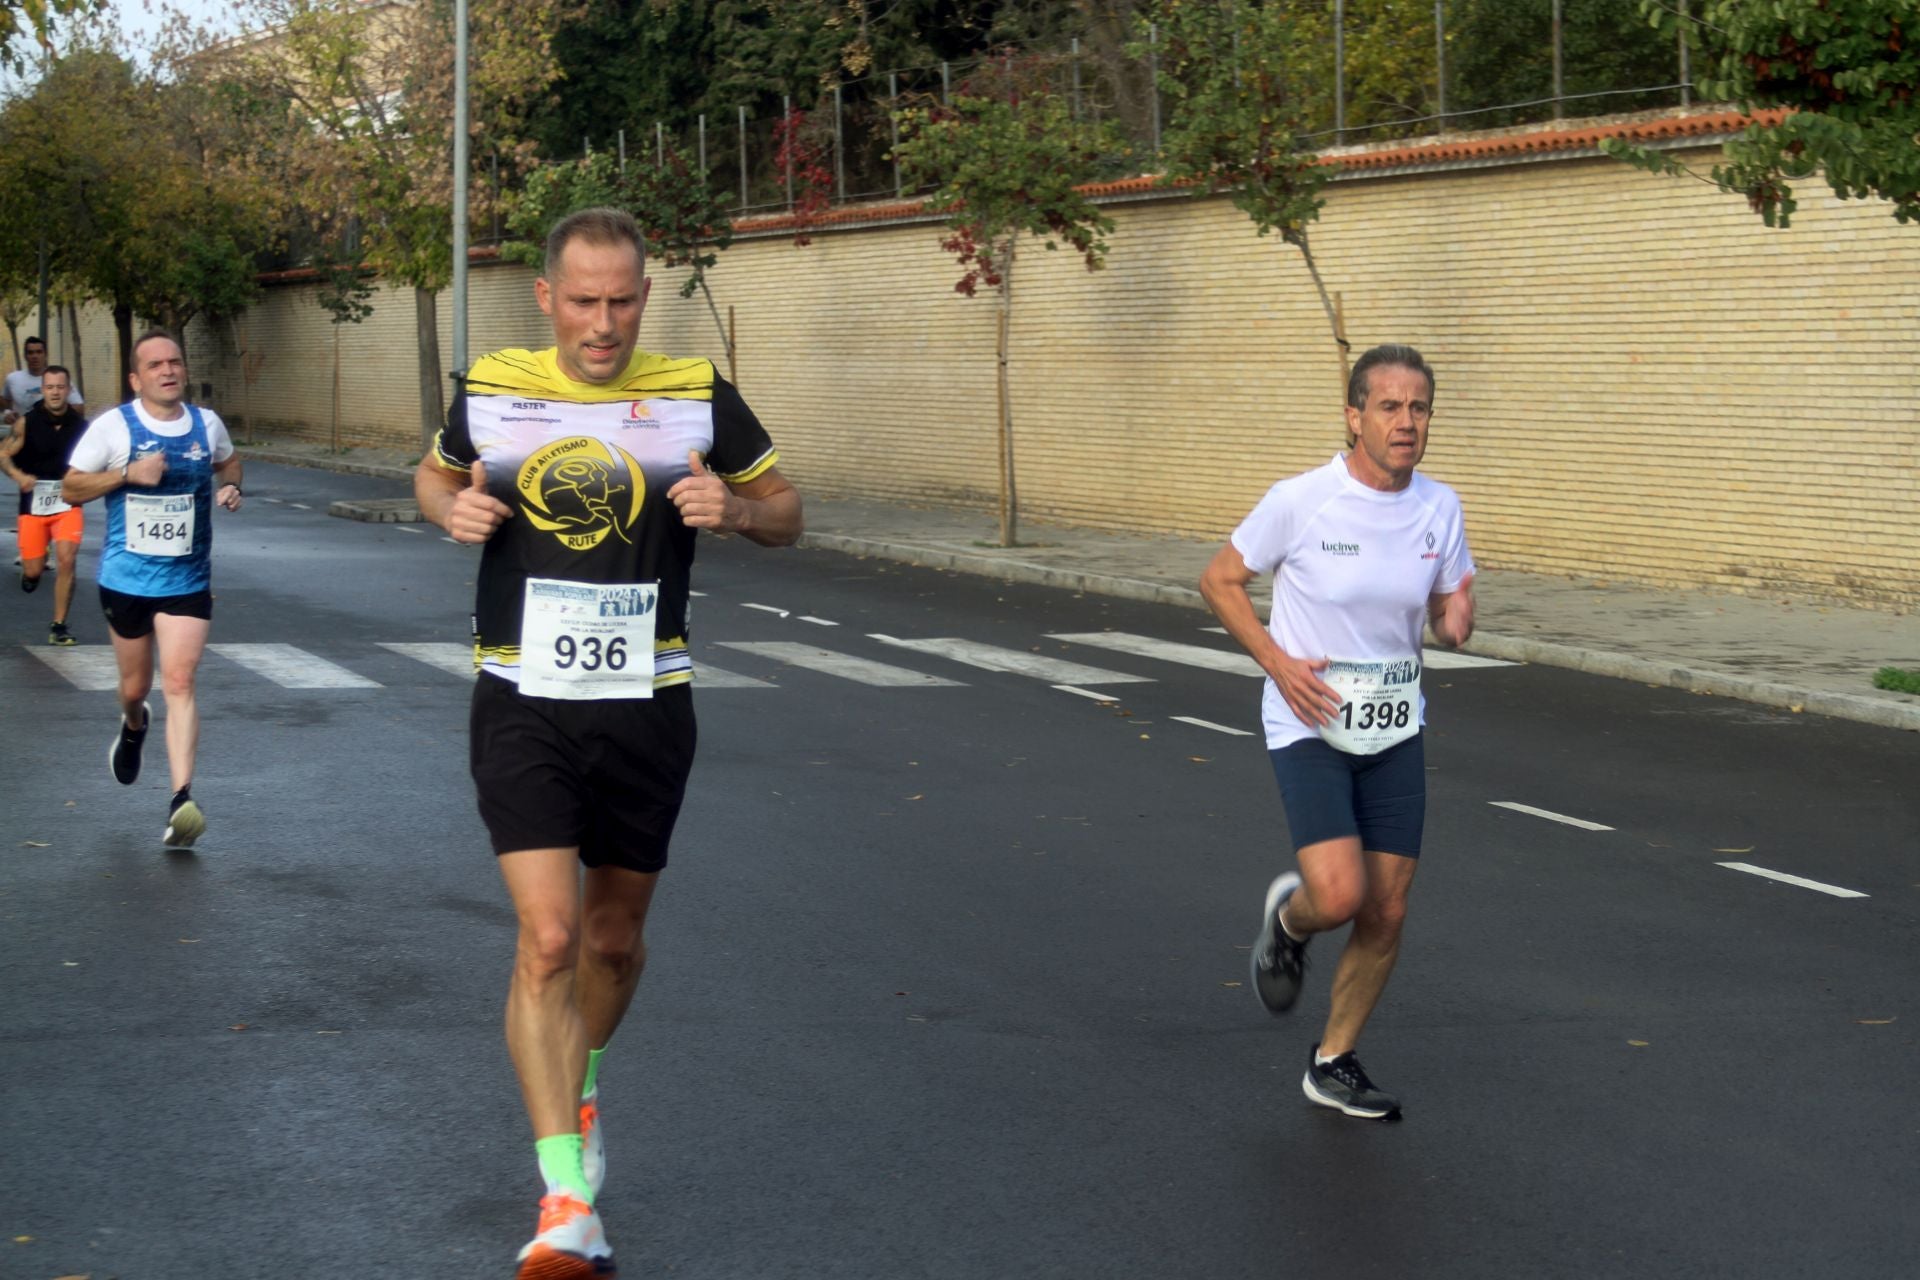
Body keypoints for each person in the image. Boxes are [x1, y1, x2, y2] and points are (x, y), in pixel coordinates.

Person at [415, 207, 802, 1279]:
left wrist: (737, 507)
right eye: (582, 300)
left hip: (646, 698)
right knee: (547, 937)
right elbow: (436, 473)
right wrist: (448, 507)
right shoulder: (493, 383)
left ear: (645, 292)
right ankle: (564, 1198)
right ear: (547, 296)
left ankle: (576, 1084)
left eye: (622, 299)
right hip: (520, 692)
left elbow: (789, 509)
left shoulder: (693, 392)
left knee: (613, 942)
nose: (603, 321)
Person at [1199, 343, 1475, 1123]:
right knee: (1341, 894)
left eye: (1419, 407)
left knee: (1387, 910)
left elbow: (1452, 593)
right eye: (1388, 406)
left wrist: (1454, 617)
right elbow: (1219, 580)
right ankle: (1289, 923)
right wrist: (1279, 664)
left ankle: (1333, 1061)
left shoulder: (1439, 508)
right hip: (1310, 718)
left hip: (1393, 724)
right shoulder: (1303, 499)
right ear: (1354, 416)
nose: (1406, 422)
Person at [62, 331, 243, 850]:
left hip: (188, 580)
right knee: (137, 688)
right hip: (126, 580)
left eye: (175, 362)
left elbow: (229, 462)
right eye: (155, 365)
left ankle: (181, 799)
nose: (168, 370)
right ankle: (133, 723)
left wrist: (232, 486)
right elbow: (71, 486)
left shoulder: (207, 425)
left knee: (181, 680)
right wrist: (125, 474)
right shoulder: (113, 428)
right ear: (136, 379)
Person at [2, 365, 89, 642]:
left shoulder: (81, 426)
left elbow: (97, 460)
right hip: (34, 504)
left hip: (67, 503)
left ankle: (59, 626)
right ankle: (31, 575)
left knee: (67, 560)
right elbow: (3, 454)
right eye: (49, 387)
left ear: (67, 389)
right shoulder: (27, 423)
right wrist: (19, 476)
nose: (55, 392)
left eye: (60, 387)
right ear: (43, 390)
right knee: (33, 570)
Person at [3, 335, 84, 422]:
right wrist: (7, 413)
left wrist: (56, 410)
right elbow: (4, 402)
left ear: (45, 355)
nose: (35, 356)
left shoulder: (58, 378)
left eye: (39, 352)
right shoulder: (12, 378)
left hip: (50, 430)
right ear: (25, 356)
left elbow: (80, 408)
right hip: (23, 431)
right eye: (30, 353)